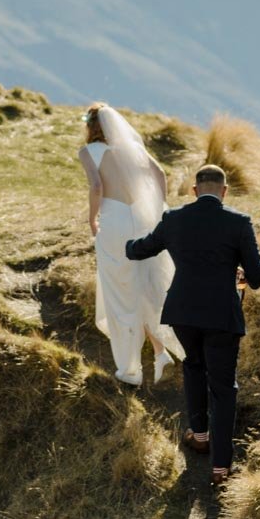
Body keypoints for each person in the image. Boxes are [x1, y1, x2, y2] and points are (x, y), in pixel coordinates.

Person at [126, 163, 260, 485]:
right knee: (223, 386)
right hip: (222, 315)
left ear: (194, 190)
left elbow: (142, 248)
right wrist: (244, 271)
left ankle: (200, 435)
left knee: (193, 365)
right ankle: (221, 467)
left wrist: (120, 245)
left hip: (184, 311)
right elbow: (257, 277)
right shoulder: (239, 222)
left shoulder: (174, 219)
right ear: (225, 191)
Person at [78, 103, 183, 386]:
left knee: (120, 292)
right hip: (142, 219)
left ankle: (130, 370)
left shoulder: (88, 152)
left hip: (114, 223)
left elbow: (97, 187)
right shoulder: (130, 147)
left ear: (89, 125)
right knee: (146, 286)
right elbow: (160, 175)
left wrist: (91, 219)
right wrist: (159, 211)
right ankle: (160, 352)